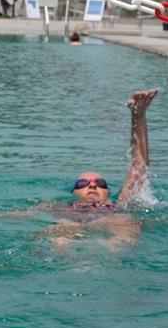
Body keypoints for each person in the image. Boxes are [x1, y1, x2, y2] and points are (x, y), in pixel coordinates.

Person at [39, 89, 159, 250]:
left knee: (123, 221)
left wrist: (138, 115)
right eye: (83, 183)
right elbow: (21, 214)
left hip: (109, 220)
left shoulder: (118, 204)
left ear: (108, 192)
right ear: (73, 192)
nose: (93, 186)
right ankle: (63, 256)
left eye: (100, 183)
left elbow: (140, 165)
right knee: (63, 226)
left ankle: (113, 253)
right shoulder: (59, 207)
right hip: (70, 221)